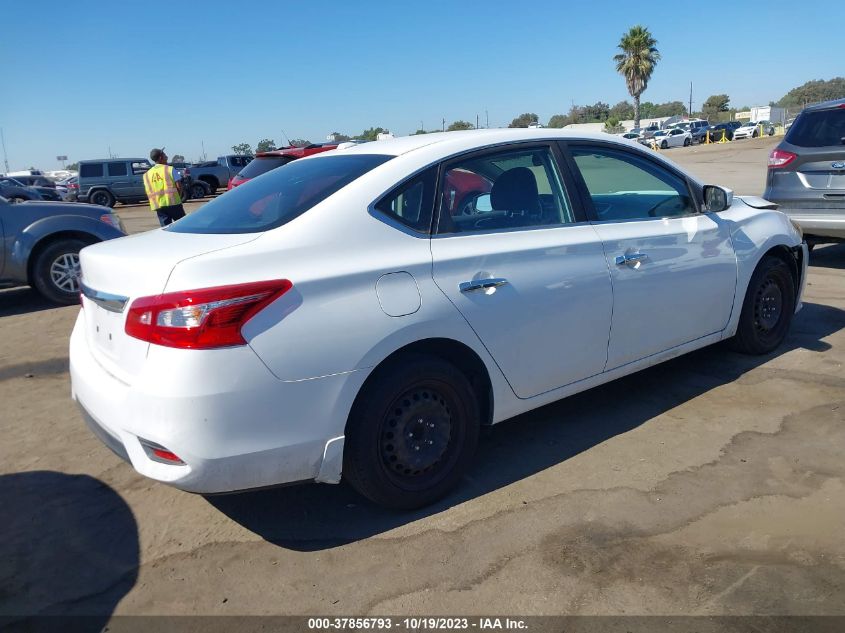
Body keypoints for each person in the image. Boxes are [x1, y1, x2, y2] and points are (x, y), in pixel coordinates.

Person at [143, 148, 185, 226]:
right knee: (182, 227)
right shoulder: (170, 169)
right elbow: (179, 186)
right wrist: (178, 197)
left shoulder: (146, 175)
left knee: (166, 229)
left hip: (159, 206)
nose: (167, 157)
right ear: (160, 158)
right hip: (174, 204)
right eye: (165, 155)